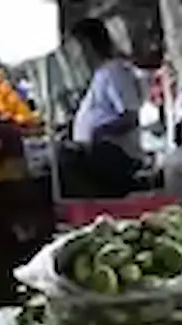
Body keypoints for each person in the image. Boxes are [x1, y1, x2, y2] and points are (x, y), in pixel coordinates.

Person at [66, 18, 144, 197]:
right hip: (101, 156)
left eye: (75, 47)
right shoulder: (100, 74)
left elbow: (130, 116)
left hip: (116, 158)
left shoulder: (114, 72)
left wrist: (98, 133)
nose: (74, 55)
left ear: (86, 44)